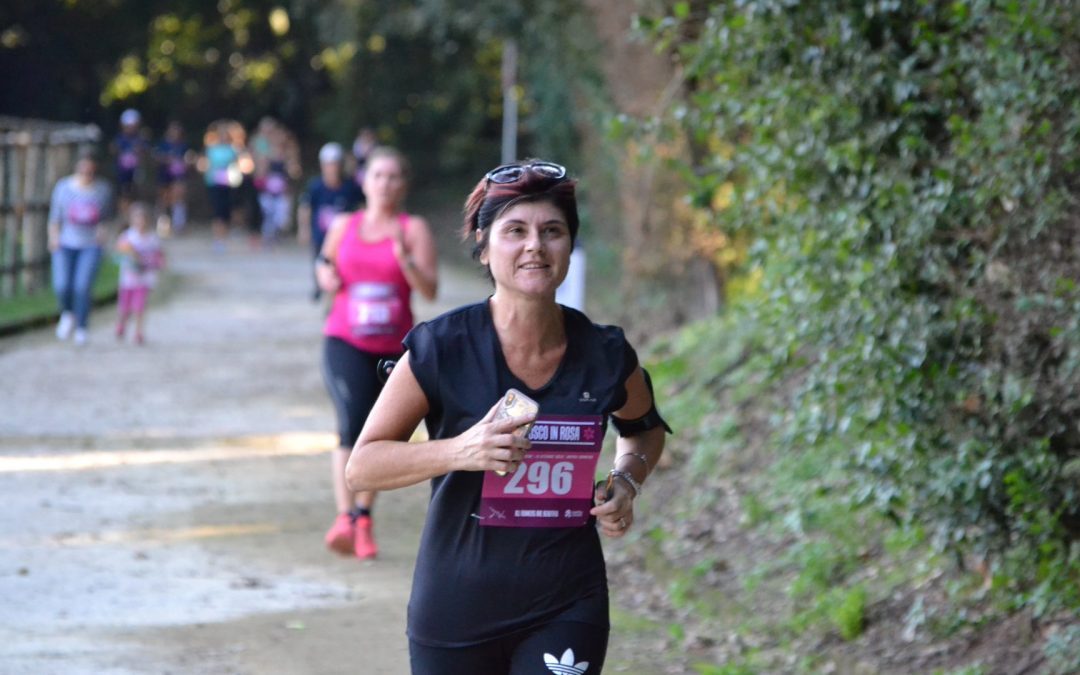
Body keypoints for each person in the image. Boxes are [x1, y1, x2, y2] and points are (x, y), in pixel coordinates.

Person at [345, 160, 670, 674]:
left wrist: (626, 480)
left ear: (570, 245)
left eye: (552, 231)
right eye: (515, 231)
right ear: (483, 244)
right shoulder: (439, 348)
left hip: (567, 600)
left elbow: (644, 429)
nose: (535, 246)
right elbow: (362, 466)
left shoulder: (605, 353)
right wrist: (461, 450)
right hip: (456, 604)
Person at [315, 146, 438, 560]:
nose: (384, 183)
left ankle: (363, 517)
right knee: (350, 423)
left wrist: (405, 261)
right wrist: (326, 275)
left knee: (378, 431)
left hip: (394, 347)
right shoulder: (344, 224)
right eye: (377, 175)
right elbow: (323, 263)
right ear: (364, 182)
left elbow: (430, 290)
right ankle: (345, 517)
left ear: (403, 185)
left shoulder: (413, 228)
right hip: (343, 339)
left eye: (393, 177)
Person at [47, 150, 113, 347]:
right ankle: (67, 313)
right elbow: (55, 216)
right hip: (65, 243)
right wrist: (54, 237)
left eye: (90, 171)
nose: (87, 174)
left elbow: (105, 217)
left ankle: (82, 327)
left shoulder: (102, 189)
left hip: (90, 245)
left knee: (82, 287)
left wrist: (102, 235)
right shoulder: (63, 188)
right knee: (62, 284)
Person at [298, 142, 362, 300]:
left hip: (343, 236)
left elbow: (362, 206)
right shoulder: (316, 186)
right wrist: (304, 229)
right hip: (320, 233)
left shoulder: (350, 186)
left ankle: (337, 292)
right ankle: (319, 286)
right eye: (328, 164)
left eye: (335, 164)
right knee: (319, 260)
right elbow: (305, 207)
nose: (332, 168)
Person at [114, 202, 164, 344]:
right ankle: (121, 324)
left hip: (144, 278)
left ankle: (138, 332)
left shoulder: (152, 239)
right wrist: (130, 257)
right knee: (124, 307)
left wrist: (159, 263)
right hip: (128, 279)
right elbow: (118, 256)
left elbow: (159, 255)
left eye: (143, 219)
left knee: (139, 306)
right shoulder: (127, 237)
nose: (140, 222)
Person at [200, 120, 239, 249]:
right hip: (214, 183)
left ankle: (224, 237)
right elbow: (206, 165)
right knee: (217, 211)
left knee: (226, 211)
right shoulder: (211, 149)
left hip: (227, 184)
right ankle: (217, 238)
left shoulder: (232, 149)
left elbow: (236, 165)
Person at [154, 121, 189, 234]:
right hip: (164, 176)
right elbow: (157, 157)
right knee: (163, 200)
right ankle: (162, 226)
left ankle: (178, 225)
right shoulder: (162, 144)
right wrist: (167, 159)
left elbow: (188, 159)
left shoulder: (183, 145)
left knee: (178, 199)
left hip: (178, 177)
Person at [111, 108, 146, 213]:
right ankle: (124, 214)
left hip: (136, 172)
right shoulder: (120, 138)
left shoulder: (140, 138)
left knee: (134, 193)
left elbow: (145, 152)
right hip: (122, 172)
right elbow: (113, 150)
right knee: (123, 193)